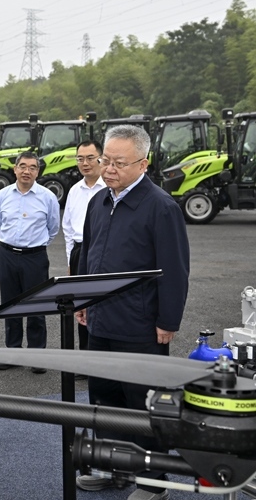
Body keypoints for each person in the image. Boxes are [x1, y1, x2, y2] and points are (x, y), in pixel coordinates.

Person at [75, 125, 190, 500]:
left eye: (118, 163)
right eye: (105, 160)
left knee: (144, 405)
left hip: (141, 326)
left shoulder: (161, 207)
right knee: (104, 400)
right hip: (100, 321)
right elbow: (88, 255)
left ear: (143, 163)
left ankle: (154, 482)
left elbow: (175, 269)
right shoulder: (98, 201)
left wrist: (168, 321)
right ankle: (114, 469)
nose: (108, 169)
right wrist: (82, 301)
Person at [0, 151, 60, 373]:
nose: (27, 171)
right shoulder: (3, 195)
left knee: (36, 306)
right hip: (7, 255)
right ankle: (12, 353)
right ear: (15, 169)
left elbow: (53, 228)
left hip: (35, 257)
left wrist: (35, 246)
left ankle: (37, 356)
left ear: (37, 172)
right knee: (10, 305)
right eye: (22, 166)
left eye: (32, 167)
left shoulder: (47, 197)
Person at [61, 140, 105, 352]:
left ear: (101, 159)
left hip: (103, 250)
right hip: (79, 252)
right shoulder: (74, 190)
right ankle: (85, 356)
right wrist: (71, 262)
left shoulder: (110, 187)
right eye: (80, 159)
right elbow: (68, 229)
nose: (85, 163)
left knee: (104, 302)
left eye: (90, 158)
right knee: (82, 306)